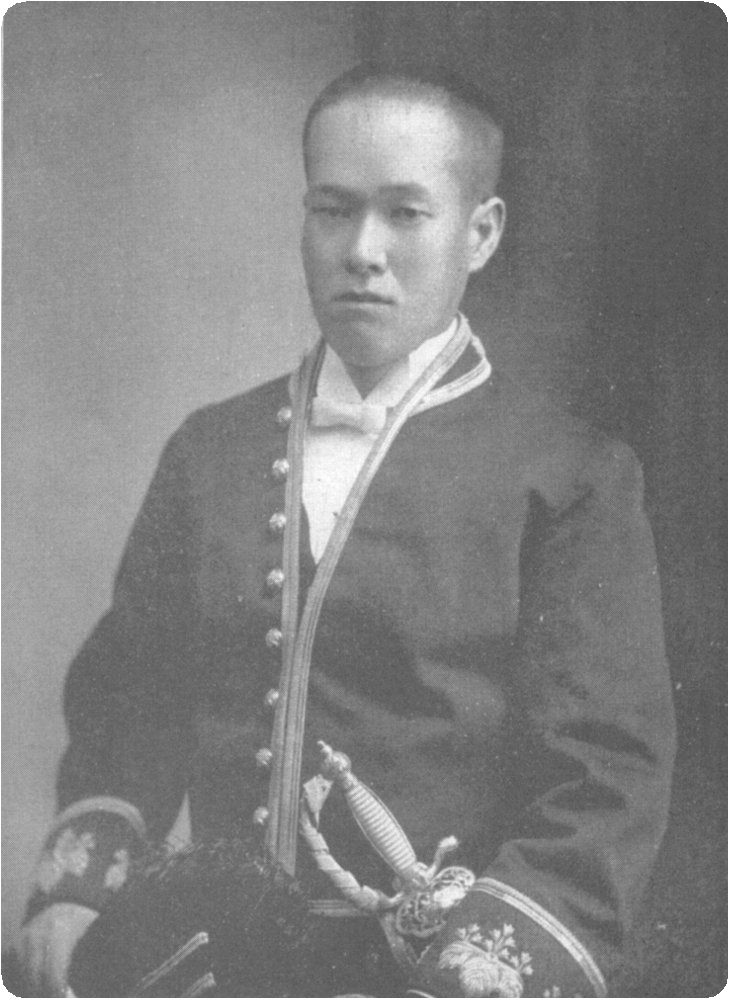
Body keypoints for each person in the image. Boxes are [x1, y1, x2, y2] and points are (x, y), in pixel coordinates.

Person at [18, 62, 676, 998]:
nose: (363, 250)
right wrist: (78, 890)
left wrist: (471, 977)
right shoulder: (209, 451)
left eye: (405, 213)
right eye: (333, 210)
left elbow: (604, 780)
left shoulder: (573, 477)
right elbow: (132, 698)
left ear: (481, 233)